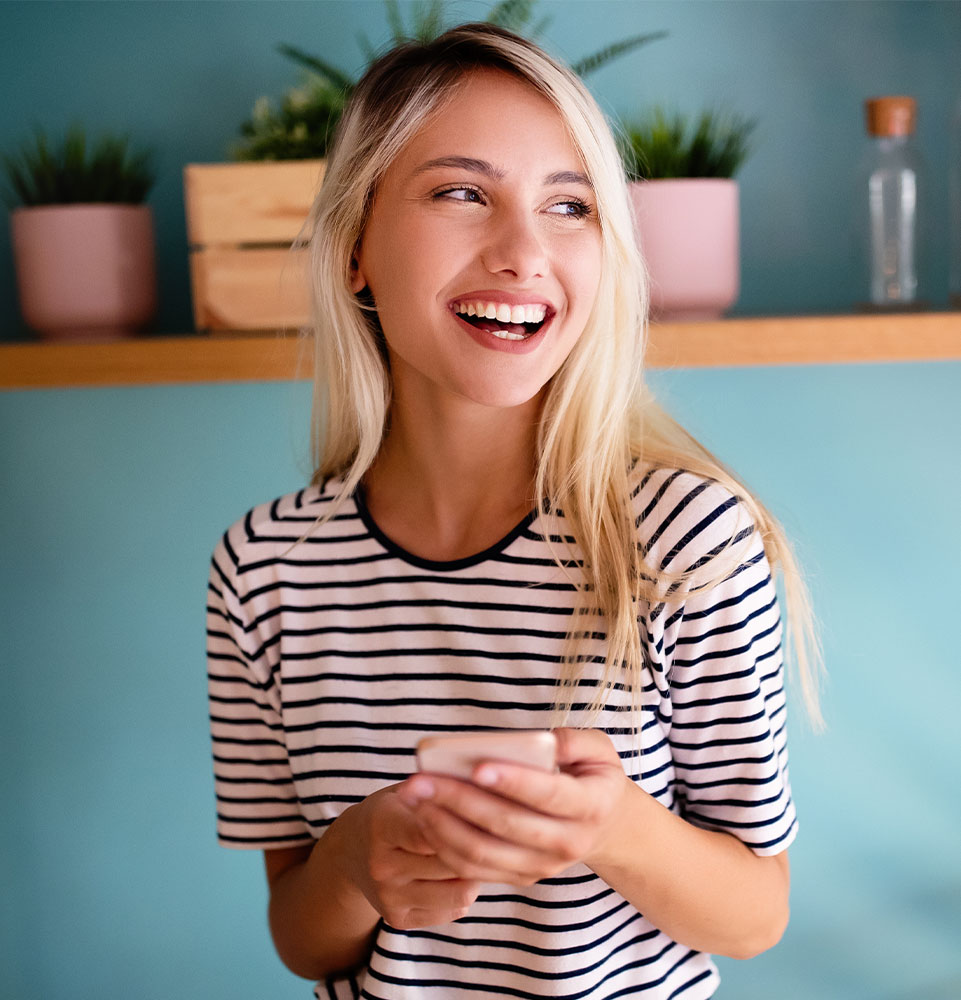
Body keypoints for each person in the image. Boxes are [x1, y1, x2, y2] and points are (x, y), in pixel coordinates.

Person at [205, 22, 822, 1000]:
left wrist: (612, 827)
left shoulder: (688, 542)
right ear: (355, 247)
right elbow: (302, 939)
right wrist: (361, 857)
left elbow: (755, 914)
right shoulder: (264, 567)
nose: (524, 251)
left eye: (568, 205)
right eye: (461, 192)